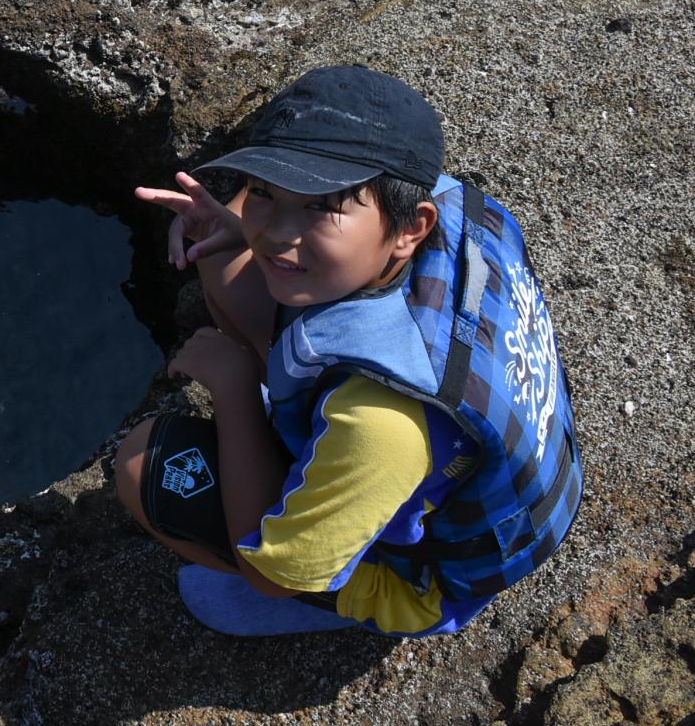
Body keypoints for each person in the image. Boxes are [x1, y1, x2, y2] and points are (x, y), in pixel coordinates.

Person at [123, 66, 580, 637]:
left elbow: (278, 572)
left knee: (144, 463)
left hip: (419, 580)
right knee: (220, 256)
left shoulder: (380, 427)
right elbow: (270, 225)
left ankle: (323, 603)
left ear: (412, 228)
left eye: (320, 205)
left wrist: (235, 389)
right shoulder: (431, 201)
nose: (277, 233)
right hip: (452, 457)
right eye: (267, 193)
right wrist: (236, 227)